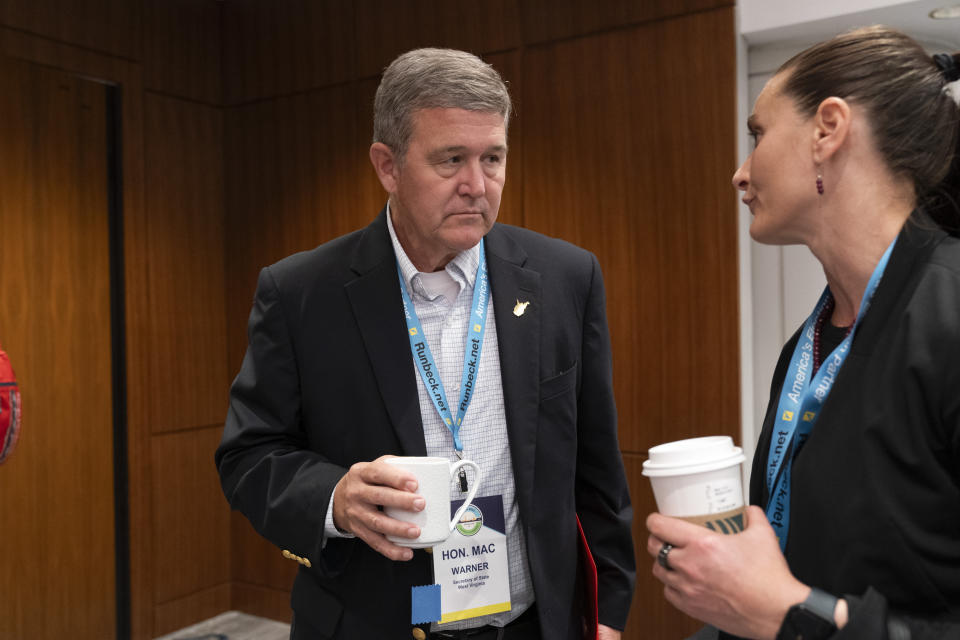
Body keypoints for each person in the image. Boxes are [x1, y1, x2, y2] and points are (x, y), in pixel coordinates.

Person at [216, 47, 635, 640]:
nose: (476, 185)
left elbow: (596, 468)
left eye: (493, 158)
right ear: (388, 166)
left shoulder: (565, 277)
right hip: (373, 623)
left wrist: (606, 614)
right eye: (450, 160)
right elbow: (249, 455)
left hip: (532, 624)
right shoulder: (302, 293)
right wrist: (334, 498)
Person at [645, 26, 960, 640]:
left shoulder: (949, 316)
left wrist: (790, 614)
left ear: (828, 130)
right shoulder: (810, 345)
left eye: (758, 135)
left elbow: (795, 608)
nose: (740, 173)